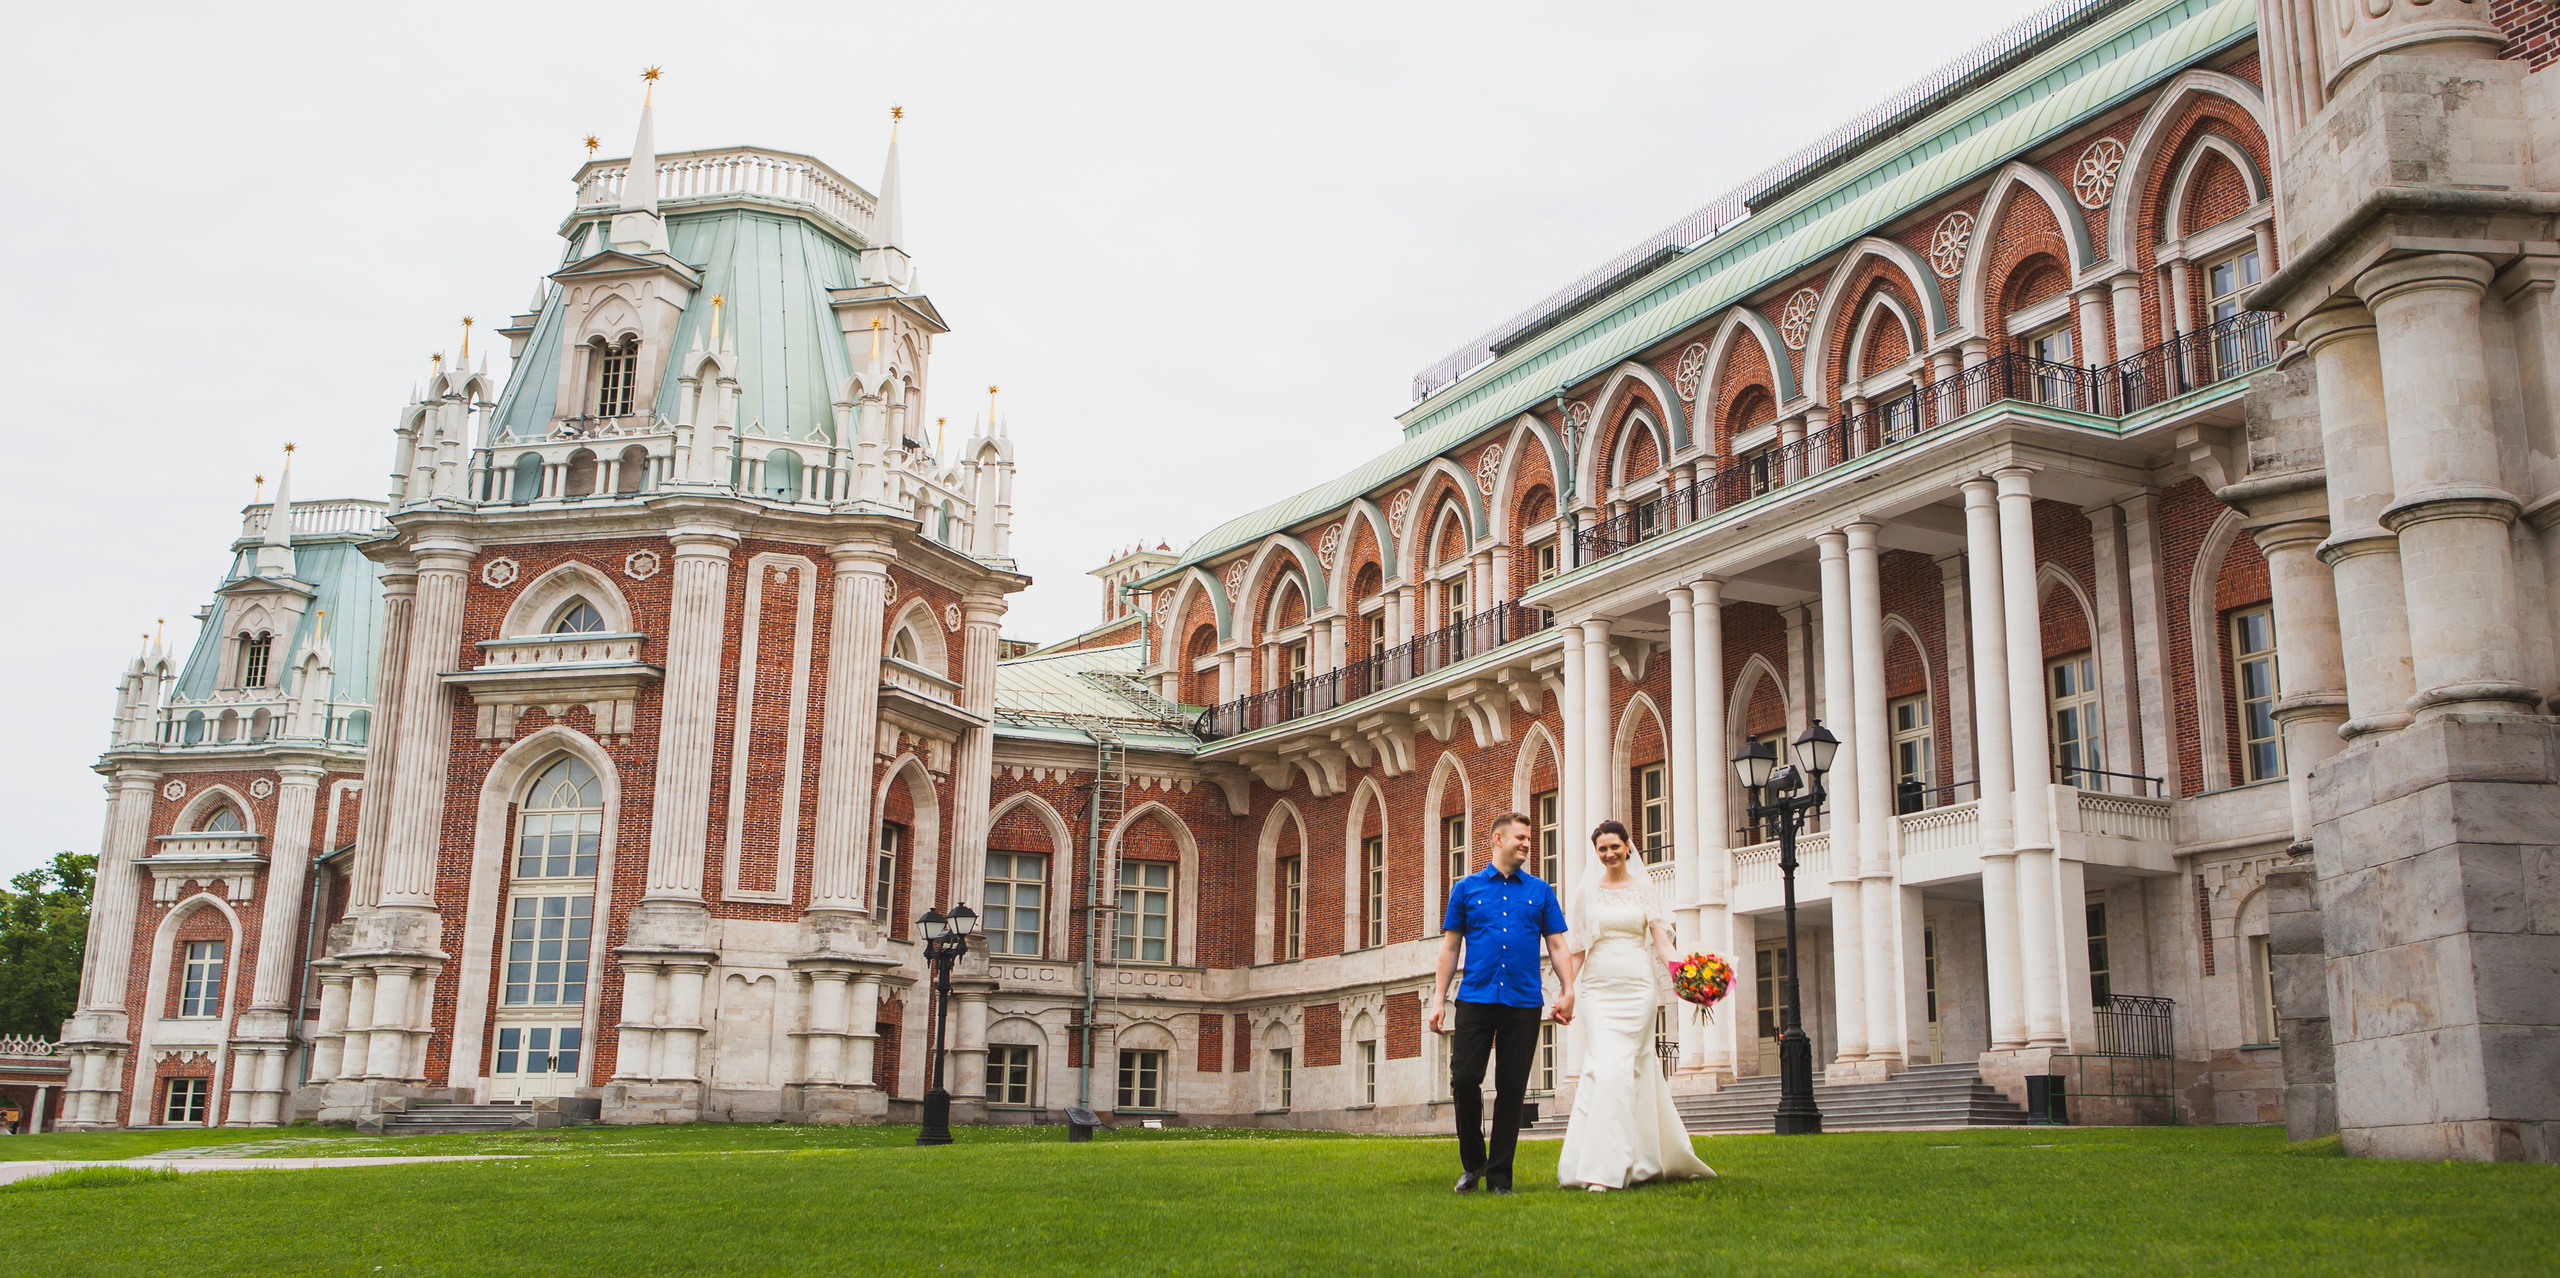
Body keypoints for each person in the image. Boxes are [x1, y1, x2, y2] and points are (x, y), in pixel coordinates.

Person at [1554, 820, 1715, 1191]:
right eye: (1602, 849)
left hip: (1638, 988)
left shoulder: (1645, 888)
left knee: (1633, 1069)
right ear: (1596, 854)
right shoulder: (1586, 894)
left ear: (1629, 847)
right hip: (1597, 989)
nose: (1609, 854)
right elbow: (1577, 950)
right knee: (1606, 1069)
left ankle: (1638, 1163)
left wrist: (1689, 976)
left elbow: (1662, 944)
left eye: (1614, 846)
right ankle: (1602, 1166)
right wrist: (1567, 990)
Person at [1427, 810, 1575, 1195]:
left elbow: (1558, 945)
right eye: (1521, 838)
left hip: (1523, 1001)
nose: (1527, 843)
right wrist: (1438, 999)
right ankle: (1473, 1164)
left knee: (1512, 1089)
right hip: (1475, 997)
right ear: (1498, 839)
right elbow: (1450, 947)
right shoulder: (1466, 889)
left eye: (1529, 839)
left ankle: (1500, 1178)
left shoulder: (1540, 891)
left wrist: (1567, 989)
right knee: (1463, 1080)